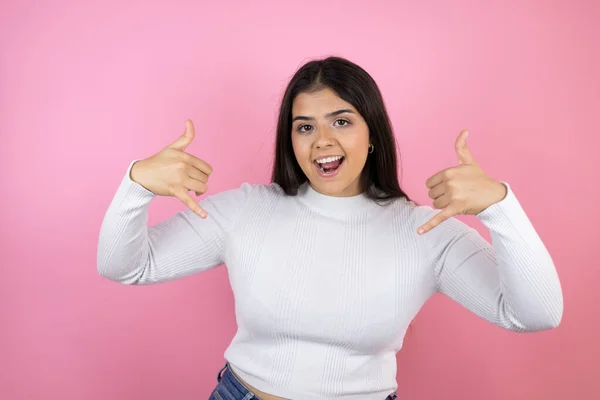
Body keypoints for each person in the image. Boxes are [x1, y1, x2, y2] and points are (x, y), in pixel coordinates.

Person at [97, 56, 563, 400]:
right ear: (291, 139)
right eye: (304, 127)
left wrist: (501, 207)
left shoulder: (427, 232)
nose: (322, 140)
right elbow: (128, 267)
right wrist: (137, 183)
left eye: (341, 120)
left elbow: (534, 314)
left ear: (373, 133)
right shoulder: (246, 211)